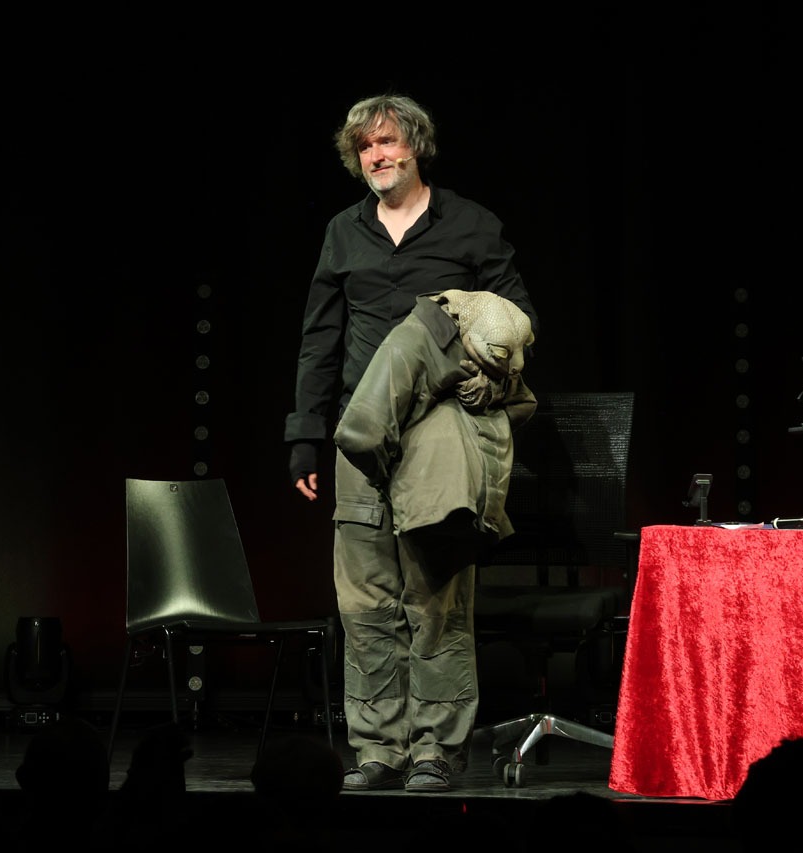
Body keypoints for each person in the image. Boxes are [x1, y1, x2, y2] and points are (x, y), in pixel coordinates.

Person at [284, 93, 539, 794]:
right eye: (366, 147)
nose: (377, 155)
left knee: (435, 598)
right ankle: (379, 748)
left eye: (388, 141)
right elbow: (320, 339)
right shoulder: (343, 233)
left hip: (438, 432)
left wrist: (492, 374)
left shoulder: (471, 225)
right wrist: (305, 436)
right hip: (359, 437)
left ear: (416, 146)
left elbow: (518, 316)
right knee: (365, 602)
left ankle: (436, 749)